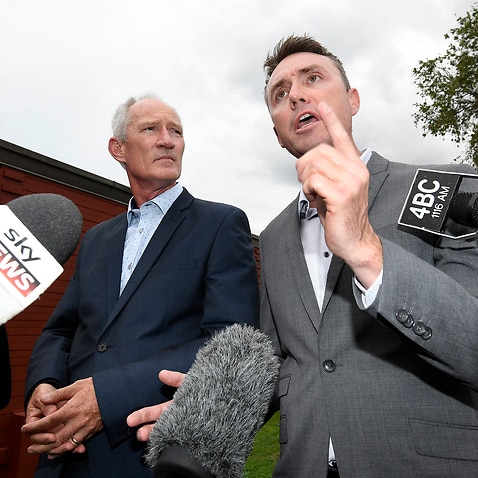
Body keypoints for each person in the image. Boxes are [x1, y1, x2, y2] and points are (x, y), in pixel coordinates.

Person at [129, 36, 478, 478]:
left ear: (351, 100)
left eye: (313, 78)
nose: (295, 93)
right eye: (280, 94)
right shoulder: (273, 236)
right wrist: (210, 404)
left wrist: (366, 249)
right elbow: (278, 360)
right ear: (278, 133)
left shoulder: (451, 187)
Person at [21, 94, 260, 477]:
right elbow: (62, 328)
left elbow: (230, 340)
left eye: (176, 131)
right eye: (150, 128)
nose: (168, 140)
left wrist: (109, 396)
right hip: (65, 453)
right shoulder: (97, 238)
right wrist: (44, 384)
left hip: (146, 454)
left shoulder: (220, 224)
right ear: (118, 148)